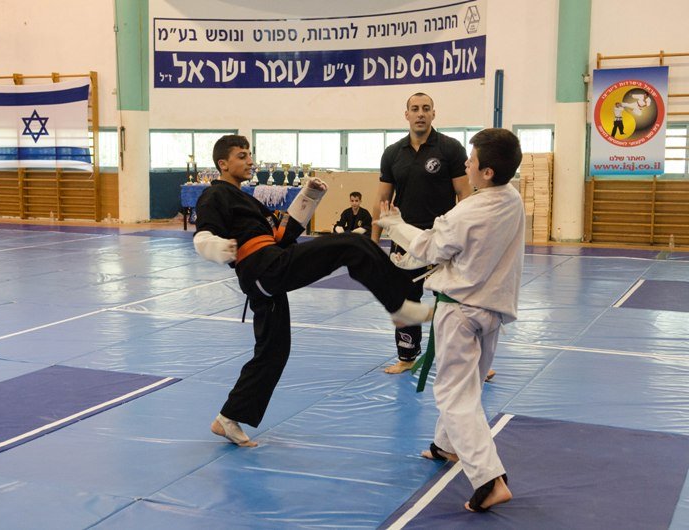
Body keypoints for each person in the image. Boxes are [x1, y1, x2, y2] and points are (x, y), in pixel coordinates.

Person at [194, 134, 433, 447]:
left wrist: (308, 197)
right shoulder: (215, 195)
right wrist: (216, 248)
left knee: (274, 351)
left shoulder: (247, 199)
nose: (250, 161)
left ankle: (228, 418)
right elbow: (202, 236)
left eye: (250, 154)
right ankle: (399, 306)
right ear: (223, 164)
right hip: (264, 268)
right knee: (353, 244)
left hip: (268, 269)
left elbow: (282, 237)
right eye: (242, 156)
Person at [375, 127, 524, 513]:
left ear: (487, 172)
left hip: (460, 310)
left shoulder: (470, 210)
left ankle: (489, 479)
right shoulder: (512, 198)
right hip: (492, 309)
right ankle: (446, 445)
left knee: (455, 395)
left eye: (472, 161)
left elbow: (429, 248)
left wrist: (394, 225)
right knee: (467, 386)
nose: (467, 165)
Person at [372, 92, 473, 374]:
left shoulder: (450, 148)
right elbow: (382, 199)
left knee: (455, 302)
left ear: (433, 114)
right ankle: (407, 356)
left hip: (443, 237)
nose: (420, 113)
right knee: (405, 300)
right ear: (406, 115)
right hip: (404, 240)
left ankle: (469, 359)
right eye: (415, 109)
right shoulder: (393, 153)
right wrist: (373, 241)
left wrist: (465, 235)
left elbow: (465, 195)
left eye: (425, 108)